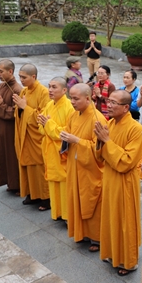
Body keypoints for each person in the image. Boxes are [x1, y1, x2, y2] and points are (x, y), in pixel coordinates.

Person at [94, 90, 142, 275]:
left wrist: (106, 141)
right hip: (109, 177)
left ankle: (127, 261)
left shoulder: (136, 130)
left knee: (125, 221)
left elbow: (127, 162)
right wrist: (100, 142)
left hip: (125, 181)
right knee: (110, 217)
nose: (109, 105)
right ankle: (111, 253)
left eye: (114, 103)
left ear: (126, 108)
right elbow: (100, 156)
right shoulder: (109, 124)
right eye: (108, 101)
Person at [60, 84, 107, 252]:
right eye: (71, 98)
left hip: (90, 170)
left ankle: (97, 237)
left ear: (88, 98)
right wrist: (65, 137)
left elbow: (100, 149)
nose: (72, 102)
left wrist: (77, 141)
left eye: (75, 99)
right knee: (77, 199)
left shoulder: (98, 119)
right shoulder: (74, 115)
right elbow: (68, 132)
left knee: (91, 202)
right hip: (75, 166)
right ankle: (83, 232)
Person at [13, 63, 50, 210]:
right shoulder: (24, 91)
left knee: (39, 167)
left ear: (33, 76)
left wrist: (24, 107)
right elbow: (19, 113)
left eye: (24, 77)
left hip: (36, 137)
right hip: (25, 135)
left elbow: (42, 117)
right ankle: (32, 194)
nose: (21, 80)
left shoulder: (44, 93)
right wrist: (19, 108)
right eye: (20, 77)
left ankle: (45, 198)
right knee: (27, 165)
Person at [38, 77, 75, 219]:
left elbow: (66, 132)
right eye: (49, 86)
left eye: (54, 87)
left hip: (62, 152)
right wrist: (47, 126)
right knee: (53, 182)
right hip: (50, 150)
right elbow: (40, 127)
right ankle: (57, 213)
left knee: (64, 183)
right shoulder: (49, 105)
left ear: (64, 90)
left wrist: (48, 125)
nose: (50, 90)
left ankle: (67, 216)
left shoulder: (69, 107)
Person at [0, 59, 22, 194]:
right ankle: (9, 181)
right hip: (1, 126)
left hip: (12, 129)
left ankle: (18, 184)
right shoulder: (1, 86)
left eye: (1, 71)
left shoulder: (17, 89)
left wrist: (1, 104)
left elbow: (16, 113)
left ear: (10, 71)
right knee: (3, 153)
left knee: (12, 156)